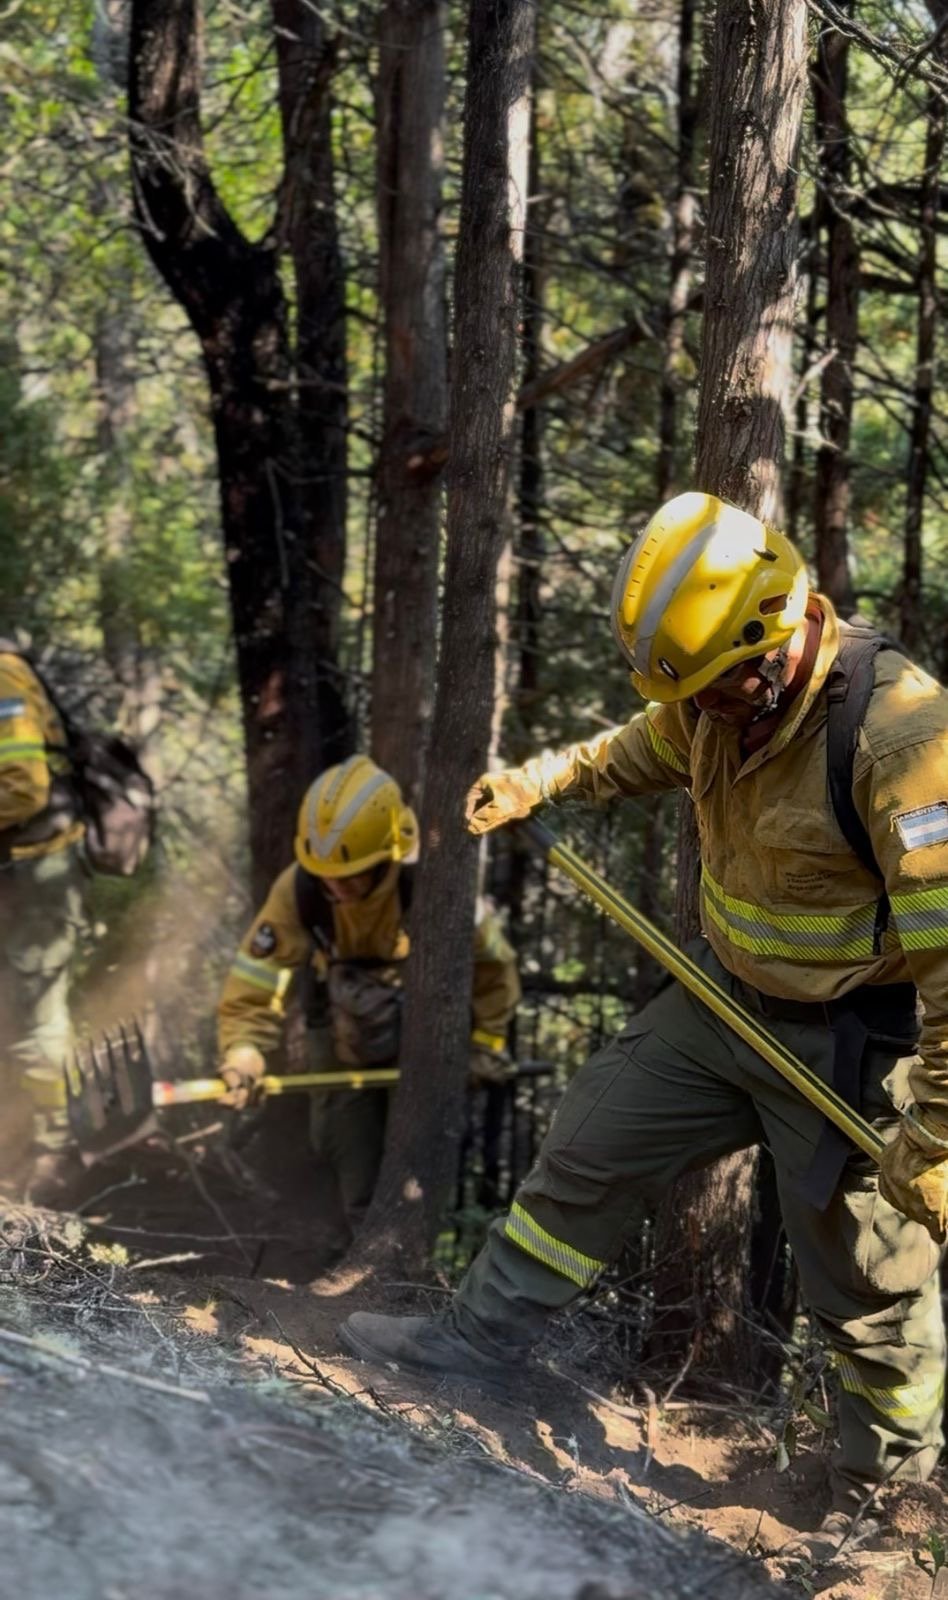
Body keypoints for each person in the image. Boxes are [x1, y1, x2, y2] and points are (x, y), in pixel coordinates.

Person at [340, 491, 948, 1554]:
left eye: (711, 689)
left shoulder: (901, 740)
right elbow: (642, 745)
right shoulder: (717, 698)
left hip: (852, 1046)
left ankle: (882, 1499)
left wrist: (936, 1131)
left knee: (867, 1283)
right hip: (721, 1006)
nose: (697, 712)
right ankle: (475, 1344)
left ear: (770, 645)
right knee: (587, 1147)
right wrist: (541, 782)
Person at [217, 754, 521, 1238]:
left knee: (418, 1155)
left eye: (352, 874)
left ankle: (411, 1254)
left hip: (421, 1034)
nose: (335, 886)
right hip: (342, 1035)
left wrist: (486, 1044)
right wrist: (243, 1048)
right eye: (325, 874)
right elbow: (257, 977)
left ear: (389, 854)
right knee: (343, 1143)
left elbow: (494, 967)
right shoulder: (300, 889)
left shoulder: (434, 882)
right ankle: (354, 1250)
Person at [0, 642, 87, 1165]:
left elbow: (25, 789)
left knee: (36, 1018)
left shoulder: (2, 677)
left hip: (37, 874)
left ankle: (57, 1151)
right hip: (16, 874)